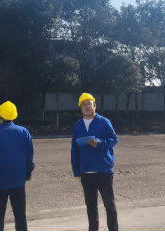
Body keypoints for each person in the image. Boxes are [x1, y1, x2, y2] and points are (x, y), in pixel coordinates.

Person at [0, 101, 35, 231]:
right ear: (14, 116)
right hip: (18, 181)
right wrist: (28, 174)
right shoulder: (24, 132)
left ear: (0, 116)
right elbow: (29, 157)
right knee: (20, 217)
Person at [71, 93, 119, 231]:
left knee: (109, 205)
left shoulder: (104, 122)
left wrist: (99, 143)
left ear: (94, 106)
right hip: (86, 172)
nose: (86, 107)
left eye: (89, 103)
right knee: (91, 207)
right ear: (81, 108)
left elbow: (114, 139)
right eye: (83, 104)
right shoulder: (78, 125)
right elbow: (74, 149)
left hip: (103, 170)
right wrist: (77, 169)